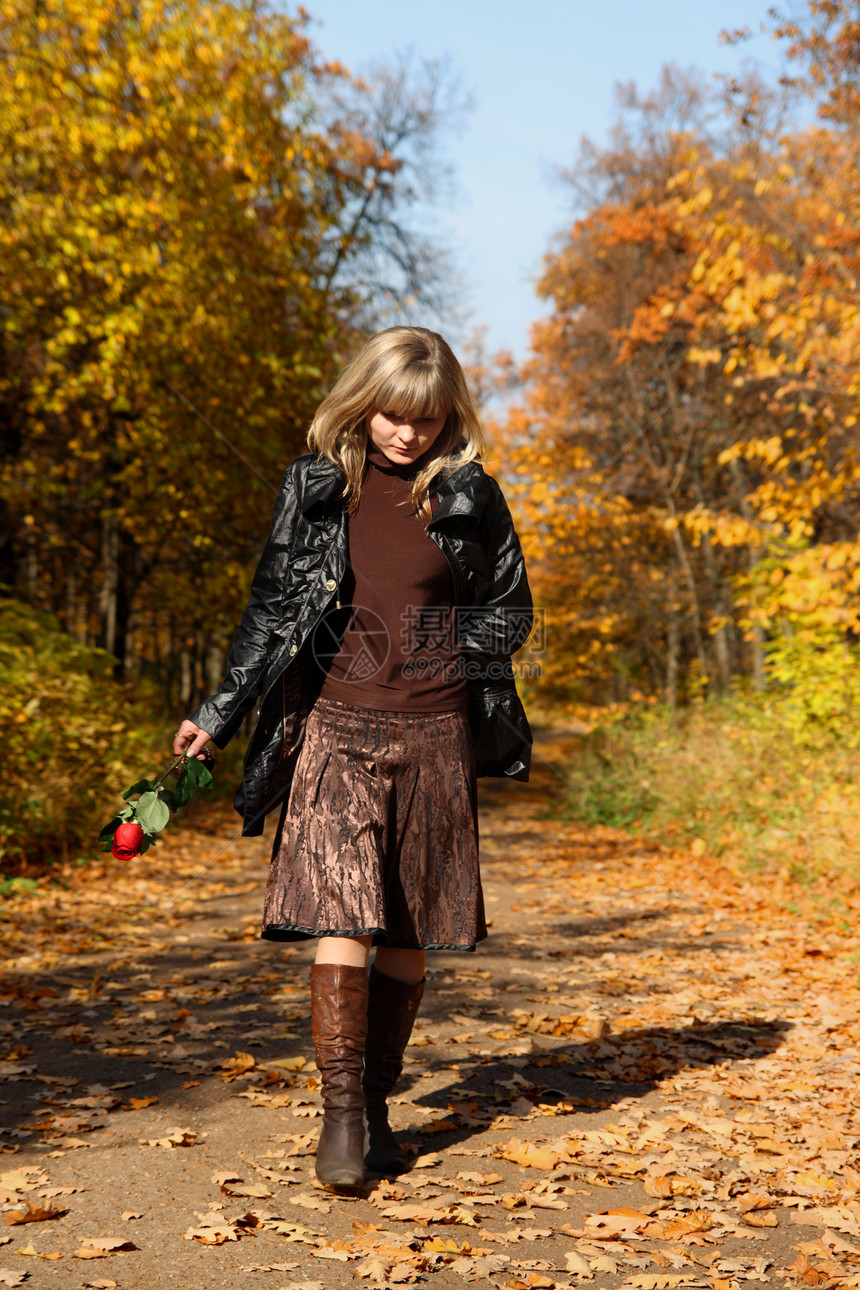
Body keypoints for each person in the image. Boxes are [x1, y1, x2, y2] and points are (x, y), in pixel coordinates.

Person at [173, 326, 533, 1192]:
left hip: (436, 734)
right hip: (335, 726)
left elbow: (511, 609)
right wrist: (217, 715)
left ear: (451, 421)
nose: (407, 435)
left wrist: (437, 645)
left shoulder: (471, 494)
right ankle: (338, 1114)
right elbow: (272, 607)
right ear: (363, 403)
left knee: (409, 929)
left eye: (428, 420)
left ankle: (375, 1104)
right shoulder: (317, 485)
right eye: (393, 415)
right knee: (343, 911)